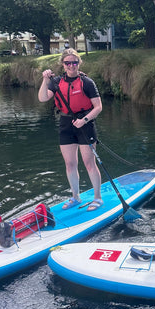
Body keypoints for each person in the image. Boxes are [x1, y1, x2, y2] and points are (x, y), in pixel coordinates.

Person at [38, 48, 103, 211]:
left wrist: (84, 120)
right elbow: (42, 98)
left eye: (74, 62)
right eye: (68, 63)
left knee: (89, 163)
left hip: (85, 124)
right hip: (66, 125)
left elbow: (98, 107)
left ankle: (97, 197)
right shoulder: (56, 82)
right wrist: (45, 80)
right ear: (63, 64)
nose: (71, 66)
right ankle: (75, 196)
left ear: (79, 63)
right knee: (70, 164)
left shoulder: (87, 83)